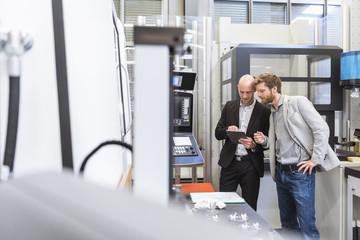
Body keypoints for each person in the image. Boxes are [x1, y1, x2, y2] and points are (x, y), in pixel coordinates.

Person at [253, 72, 340, 240]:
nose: (259, 95)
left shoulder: (298, 102)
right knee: (287, 224)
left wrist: (315, 159)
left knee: (307, 224)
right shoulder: (272, 112)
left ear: (274, 88)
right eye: (258, 91)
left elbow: (321, 129)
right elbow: (281, 142)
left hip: (300, 173)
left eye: (262, 91)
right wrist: (264, 141)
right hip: (281, 173)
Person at [215, 74, 270, 211]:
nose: (245, 96)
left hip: (251, 165)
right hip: (229, 163)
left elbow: (268, 141)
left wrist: (254, 145)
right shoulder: (229, 107)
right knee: (224, 205)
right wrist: (228, 130)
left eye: (249, 92)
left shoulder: (264, 112)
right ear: (238, 88)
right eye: (242, 92)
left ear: (255, 90)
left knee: (250, 207)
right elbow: (217, 133)